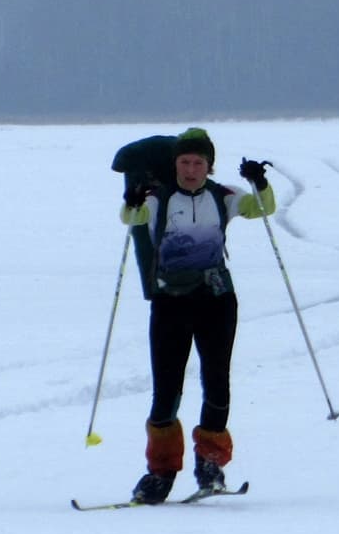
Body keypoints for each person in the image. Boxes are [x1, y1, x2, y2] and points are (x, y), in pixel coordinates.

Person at [118, 127, 275, 503]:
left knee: (217, 382)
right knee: (166, 391)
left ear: (209, 166)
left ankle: (210, 465)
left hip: (217, 299)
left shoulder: (222, 197)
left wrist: (259, 182)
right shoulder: (160, 199)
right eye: (185, 162)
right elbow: (130, 217)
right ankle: (160, 473)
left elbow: (264, 209)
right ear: (176, 164)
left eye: (198, 163)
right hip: (170, 301)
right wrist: (133, 197)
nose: (190, 169)